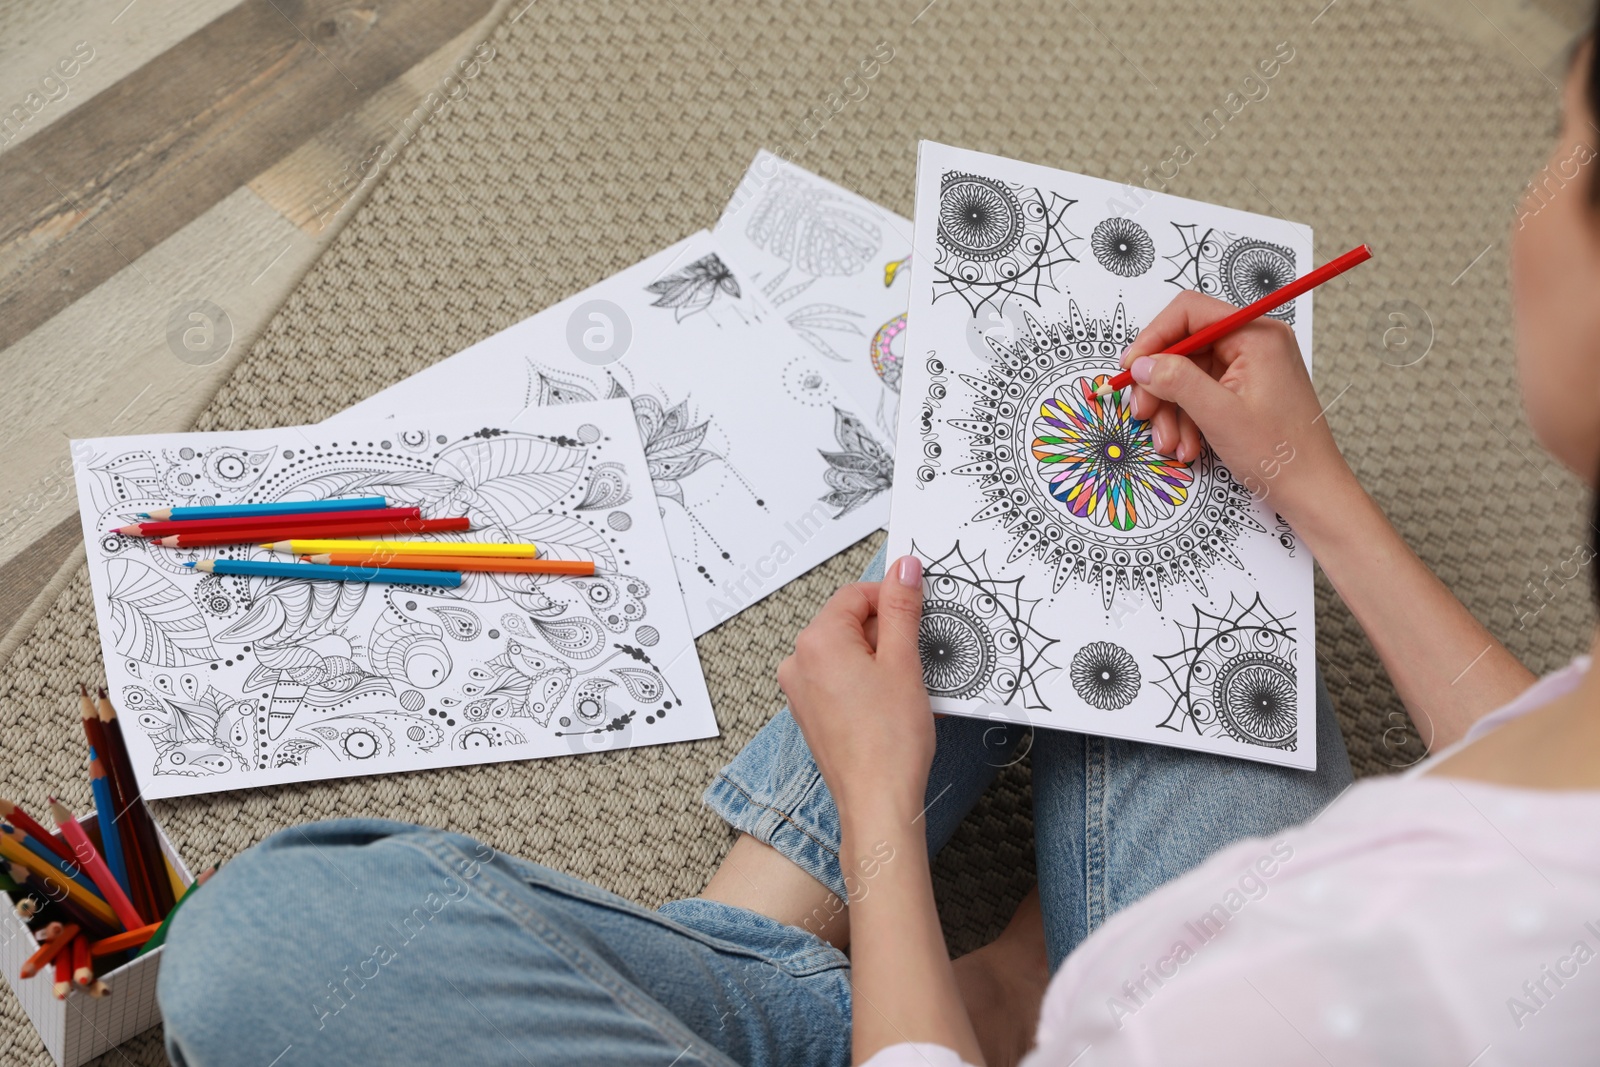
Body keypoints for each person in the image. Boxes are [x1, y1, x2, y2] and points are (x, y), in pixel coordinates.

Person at [157, 23, 1600, 1067]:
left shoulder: (1298, 1005)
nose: (1536, 195)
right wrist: (1305, 483)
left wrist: (872, 811)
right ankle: (949, 980)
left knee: (262, 948)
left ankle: (851, 960)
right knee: (1111, 574)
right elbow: (1558, 783)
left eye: (1568, 151)